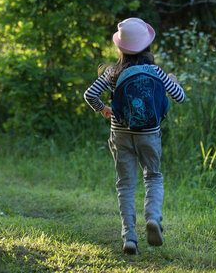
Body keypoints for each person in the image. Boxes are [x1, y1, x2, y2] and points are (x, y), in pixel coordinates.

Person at [83, 17, 186, 255]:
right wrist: (172, 81)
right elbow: (179, 96)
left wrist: (102, 108)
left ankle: (129, 238)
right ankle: (152, 218)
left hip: (120, 133)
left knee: (126, 185)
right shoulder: (155, 71)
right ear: (147, 46)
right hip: (149, 134)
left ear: (121, 48)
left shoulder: (113, 73)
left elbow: (90, 94)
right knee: (153, 177)